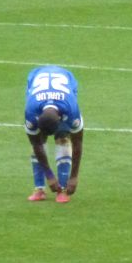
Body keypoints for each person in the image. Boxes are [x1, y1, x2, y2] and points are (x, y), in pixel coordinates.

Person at [25, 66, 84, 203]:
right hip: (35, 80)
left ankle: (63, 190)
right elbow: (36, 143)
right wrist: (49, 175)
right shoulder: (31, 111)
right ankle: (39, 189)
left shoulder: (71, 109)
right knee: (39, 140)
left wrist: (74, 177)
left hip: (66, 83)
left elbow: (78, 142)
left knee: (63, 137)